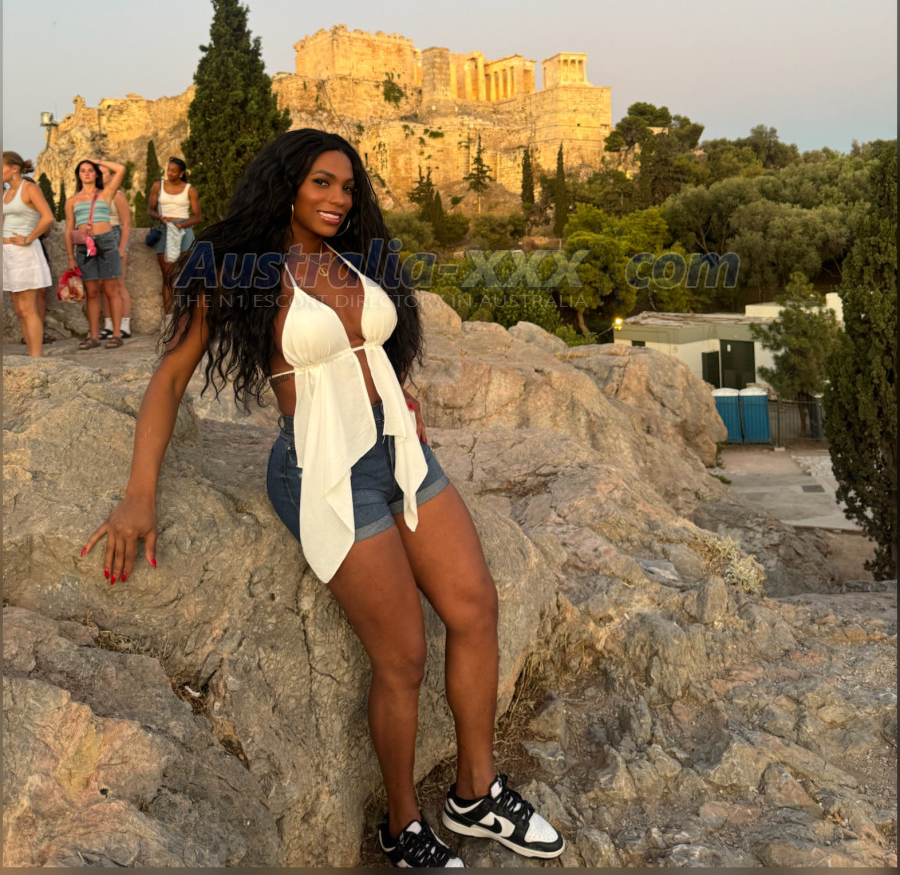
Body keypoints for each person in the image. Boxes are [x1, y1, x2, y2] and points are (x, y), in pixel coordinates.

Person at [81, 129, 566, 868]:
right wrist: (137, 495)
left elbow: (371, 347)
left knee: (476, 608)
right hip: (322, 467)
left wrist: (397, 396)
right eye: (321, 183)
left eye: (347, 186)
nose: (338, 198)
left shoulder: (355, 257)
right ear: (286, 186)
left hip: (398, 448)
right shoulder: (239, 269)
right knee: (402, 656)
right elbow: (171, 376)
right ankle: (402, 826)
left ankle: (476, 793)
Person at [64, 159, 127, 349]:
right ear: (78, 175)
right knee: (91, 293)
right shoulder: (72, 201)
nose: (87, 173)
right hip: (84, 247)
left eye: (90, 170)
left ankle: (116, 334)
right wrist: (70, 257)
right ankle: (93, 337)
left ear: (96, 174)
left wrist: (97, 161)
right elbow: (68, 230)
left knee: (111, 290)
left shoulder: (106, 193)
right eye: (83, 170)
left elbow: (121, 168)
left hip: (106, 242)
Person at [2, 151, 55, 356]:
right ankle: (31, 354)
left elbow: (48, 217)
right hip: (7, 254)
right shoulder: (6, 193)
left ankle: (36, 357)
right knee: (19, 310)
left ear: (14, 169)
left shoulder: (30, 188)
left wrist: (29, 238)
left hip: (24, 253)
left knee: (28, 308)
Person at [148, 157, 202, 314]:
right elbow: (150, 210)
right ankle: (169, 316)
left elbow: (197, 217)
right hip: (165, 229)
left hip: (184, 230)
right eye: (168, 170)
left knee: (188, 274)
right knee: (168, 277)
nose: (169, 173)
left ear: (181, 173)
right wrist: (161, 218)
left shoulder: (189, 190)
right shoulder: (158, 186)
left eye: (173, 171)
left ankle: (190, 313)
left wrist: (181, 225)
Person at [100, 188, 132, 339]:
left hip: (115, 235)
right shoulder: (94, 194)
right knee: (103, 285)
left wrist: (122, 247)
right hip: (99, 236)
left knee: (119, 283)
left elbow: (126, 222)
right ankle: (109, 325)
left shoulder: (117, 194)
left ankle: (125, 325)